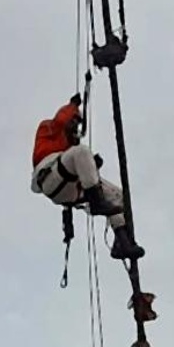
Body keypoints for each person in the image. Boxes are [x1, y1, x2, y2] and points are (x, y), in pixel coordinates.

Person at [32, 94, 144, 260]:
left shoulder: (71, 148)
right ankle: (97, 202)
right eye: (74, 122)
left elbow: (81, 169)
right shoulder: (48, 128)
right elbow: (61, 121)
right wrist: (73, 106)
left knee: (119, 196)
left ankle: (121, 242)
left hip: (69, 187)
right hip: (50, 178)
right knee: (82, 152)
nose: (75, 127)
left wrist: (93, 165)